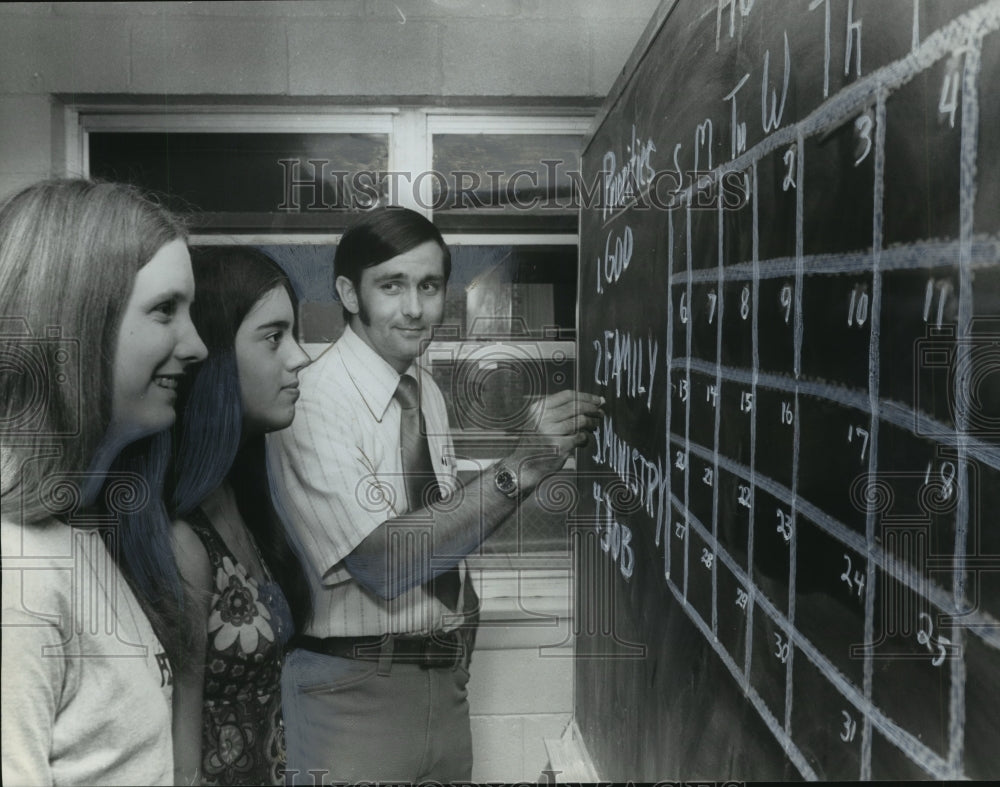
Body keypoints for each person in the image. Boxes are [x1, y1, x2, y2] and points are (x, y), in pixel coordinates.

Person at [267, 205, 603, 783]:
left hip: (440, 682)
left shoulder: (423, 391)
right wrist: (519, 469)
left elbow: (439, 522)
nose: (416, 308)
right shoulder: (313, 399)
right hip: (350, 692)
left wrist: (461, 626)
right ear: (350, 293)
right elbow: (381, 562)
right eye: (391, 286)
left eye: (429, 286)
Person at [0, 178, 208, 785]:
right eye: (164, 309)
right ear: (78, 319)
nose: (195, 346)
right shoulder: (18, 567)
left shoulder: (80, 529)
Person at [168, 247, 313, 786]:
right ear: (215, 355)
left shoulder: (242, 500)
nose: (300, 357)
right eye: (274, 337)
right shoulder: (183, 537)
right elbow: (181, 761)